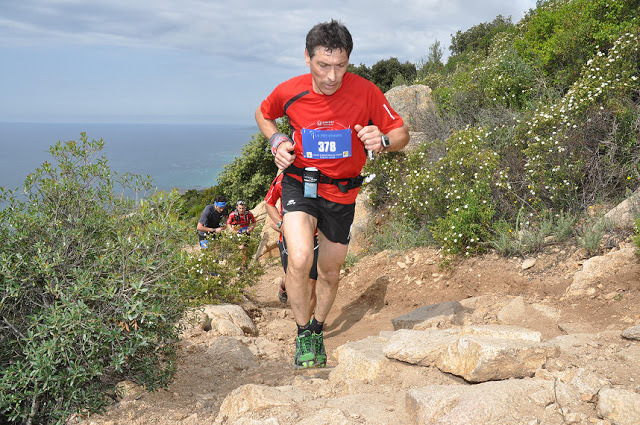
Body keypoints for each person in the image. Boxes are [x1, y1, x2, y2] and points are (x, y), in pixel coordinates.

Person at [255, 19, 410, 369]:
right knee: (298, 258)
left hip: (342, 193)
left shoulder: (366, 91)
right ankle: (301, 334)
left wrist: (382, 141)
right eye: (323, 65)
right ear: (307, 58)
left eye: (341, 66)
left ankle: (317, 328)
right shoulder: (290, 90)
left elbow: (401, 133)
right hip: (300, 183)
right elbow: (263, 114)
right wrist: (277, 139)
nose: (332, 76)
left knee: (329, 271)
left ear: (348, 61)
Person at [265, 172, 318, 312]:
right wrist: (281, 226)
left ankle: (307, 323)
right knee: (294, 278)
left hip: (315, 237)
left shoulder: (317, 174)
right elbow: (269, 202)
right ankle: (284, 284)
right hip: (290, 239)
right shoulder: (281, 179)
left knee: (312, 281)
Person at [227, 200, 257, 264]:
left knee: (245, 248)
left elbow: (254, 222)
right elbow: (228, 223)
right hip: (236, 232)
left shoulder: (249, 214)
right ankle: (239, 263)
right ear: (237, 207)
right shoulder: (232, 214)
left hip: (246, 231)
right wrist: (232, 230)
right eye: (240, 208)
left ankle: (244, 264)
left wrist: (251, 228)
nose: (241, 210)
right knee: (239, 248)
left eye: (243, 208)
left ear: (245, 207)